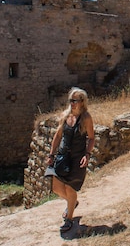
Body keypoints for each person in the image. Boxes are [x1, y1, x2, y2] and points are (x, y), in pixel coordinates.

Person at [45, 87, 95, 232]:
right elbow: (58, 136)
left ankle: (69, 219)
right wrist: (51, 154)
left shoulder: (86, 118)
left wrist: (87, 154)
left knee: (70, 188)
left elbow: (91, 138)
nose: (72, 103)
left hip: (77, 158)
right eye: (71, 100)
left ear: (82, 102)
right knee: (56, 188)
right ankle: (72, 203)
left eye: (75, 101)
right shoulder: (65, 115)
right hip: (62, 157)